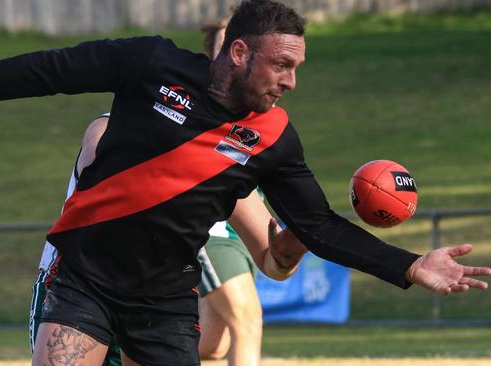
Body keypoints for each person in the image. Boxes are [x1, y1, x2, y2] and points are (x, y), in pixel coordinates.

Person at [0, 1, 491, 364]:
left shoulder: (275, 137)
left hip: (164, 305)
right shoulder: (151, 65)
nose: (291, 81)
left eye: (297, 68)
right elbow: (49, 68)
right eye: (281, 64)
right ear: (238, 52)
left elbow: (317, 227)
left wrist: (410, 266)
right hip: (84, 282)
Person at [29, 113, 304, 364]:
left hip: (155, 301)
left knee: (219, 344)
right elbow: (111, 213)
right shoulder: (110, 129)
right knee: (245, 320)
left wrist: (288, 252)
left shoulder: (223, 153)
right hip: (84, 291)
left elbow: (272, 260)